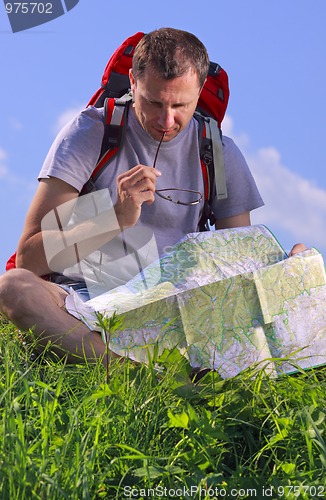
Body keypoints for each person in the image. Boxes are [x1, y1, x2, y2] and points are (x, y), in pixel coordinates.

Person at [0, 28, 305, 364]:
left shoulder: (218, 153)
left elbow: (237, 268)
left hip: (174, 311)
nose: (166, 120)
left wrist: (282, 271)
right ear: (133, 82)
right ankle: (136, 375)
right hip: (80, 301)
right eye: (154, 101)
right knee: (12, 288)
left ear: (200, 90)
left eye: (181, 105)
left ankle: (104, 363)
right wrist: (113, 218)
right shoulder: (90, 133)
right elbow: (29, 259)